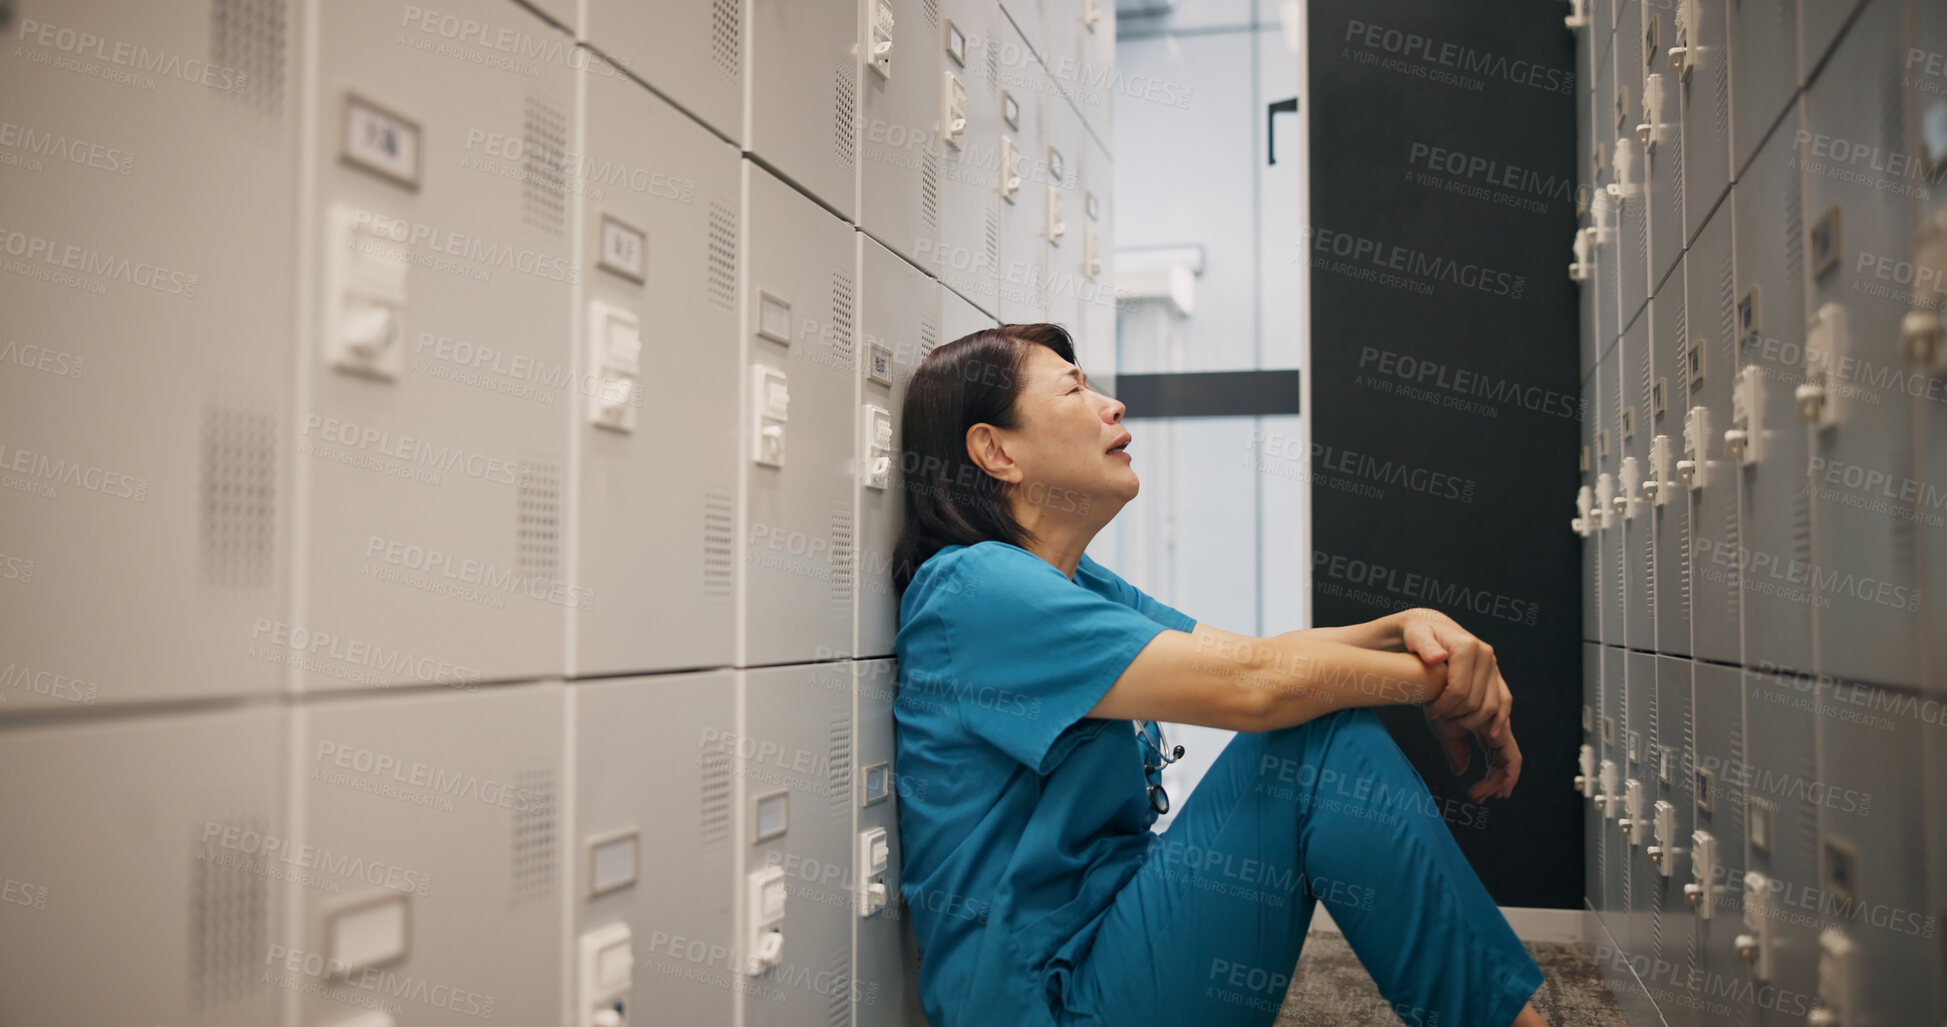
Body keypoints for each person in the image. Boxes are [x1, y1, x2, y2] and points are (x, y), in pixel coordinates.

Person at [889, 323, 1548, 1027]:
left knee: (1316, 727)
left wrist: (1405, 626)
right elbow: (1258, 687)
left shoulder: (1079, 585)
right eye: (1074, 389)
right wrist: (1438, 684)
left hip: (1111, 939)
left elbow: (1253, 655)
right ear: (995, 451)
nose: (1111, 406)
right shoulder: (975, 589)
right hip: (1049, 998)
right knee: (1315, 741)